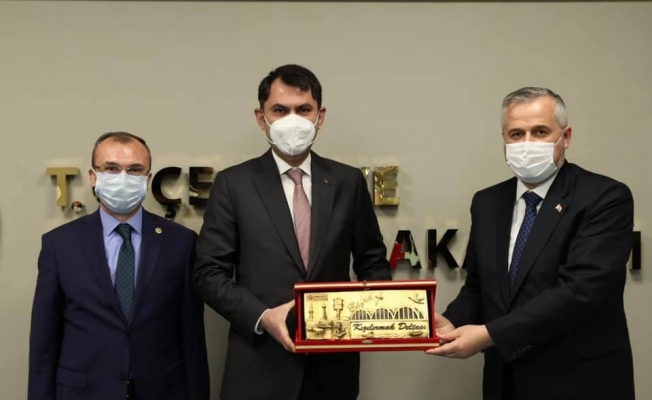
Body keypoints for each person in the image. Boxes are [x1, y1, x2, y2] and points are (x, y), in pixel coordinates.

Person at [194, 64, 392, 400]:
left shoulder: (347, 182)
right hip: (259, 365)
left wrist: (382, 312)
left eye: (303, 109)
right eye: (280, 110)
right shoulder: (233, 184)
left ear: (320, 116)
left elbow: (372, 262)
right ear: (261, 118)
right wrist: (262, 316)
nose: (293, 120)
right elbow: (208, 274)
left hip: (333, 369)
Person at [427, 87, 635, 400]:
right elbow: (479, 286)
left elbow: (580, 292)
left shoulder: (604, 197)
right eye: (516, 134)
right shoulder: (487, 202)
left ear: (565, 136)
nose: (527, 143)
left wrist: (489, 334)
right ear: (504, 140)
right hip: (505, 380)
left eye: (540, 132)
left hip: (579, 381)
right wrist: (452, 321)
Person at [29, 132, 210, 400]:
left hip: (162, 390)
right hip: (83, 392)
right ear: (93, 177)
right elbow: (44, 341)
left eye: (134, 170)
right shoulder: (60, 245)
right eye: (111, 169)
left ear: (147, 179)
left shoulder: (181, 243)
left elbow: (192, 337)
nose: (123, 178)